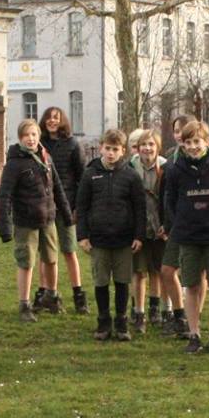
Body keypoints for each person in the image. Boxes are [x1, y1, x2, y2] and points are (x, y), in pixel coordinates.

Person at [162, 118, 209, 355]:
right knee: (191, 285)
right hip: (187, 235)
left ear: (207, 142)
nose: (193, 146)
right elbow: (170, 201)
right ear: (182, 144)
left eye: (198, 141)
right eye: (188, 142)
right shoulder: (174, 170)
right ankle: (194, 334)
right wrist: (178, 225)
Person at [74, 127, 147, 341]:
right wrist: (82, 236)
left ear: (122, 151)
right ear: (101, 148)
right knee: (101, 282)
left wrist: (139, 236)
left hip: (124, 240)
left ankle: (122, 323)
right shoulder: (90, 174)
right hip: (98, 241)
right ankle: (103, 322)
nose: (111, 153)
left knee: (123, 282)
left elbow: (139, 208)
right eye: (107, 148)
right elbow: (82, 206)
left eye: (115, 149)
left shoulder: (131, 176)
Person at [0, 117, 69, 322]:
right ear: (20, 138)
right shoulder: (14, 163)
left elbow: (57, 187)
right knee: (26, 263)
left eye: (34, 134)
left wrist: (66, 214)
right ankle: (24, 304)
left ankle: (51, 296)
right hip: (26, 222)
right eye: (26, 135)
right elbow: (4, 196)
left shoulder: (46, 157)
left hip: (48, 218)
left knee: (52, 260)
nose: (30, 139)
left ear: (39, 136)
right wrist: (4, 227)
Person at [37, 106, 88, 315]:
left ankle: (78, 295)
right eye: (48, 118)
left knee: (69, 250)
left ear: (62, 120)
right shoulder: (39, 144)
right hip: (45, 205)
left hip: (66, 203)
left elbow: (81, 177)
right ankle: (46, 294)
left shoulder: (72, 144)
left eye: (56, 118)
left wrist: (76, 206)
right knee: (46, 254)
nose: (52, 121)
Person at [129, 128, 169, 336]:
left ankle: (158, 308)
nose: (147, 148)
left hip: (160, 228)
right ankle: (139, 312)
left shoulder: (166, 167)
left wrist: (167, 224)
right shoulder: (130, 167)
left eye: (151, 144)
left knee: (159, 271)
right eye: (143, 144)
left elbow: (170, 198)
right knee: (139, 271)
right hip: (140, 228)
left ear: (157, 147)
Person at [156, 113, 191, 336]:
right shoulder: (170, 159)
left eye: (184, 130)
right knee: (167, 271)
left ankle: (190, 319)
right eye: (177, 131)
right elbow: (165, 195)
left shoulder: (205, 160)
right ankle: (179, 316)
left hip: (197, 226)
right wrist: (165, 223)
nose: (180, 135)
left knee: (196, 277)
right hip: (174, 226)